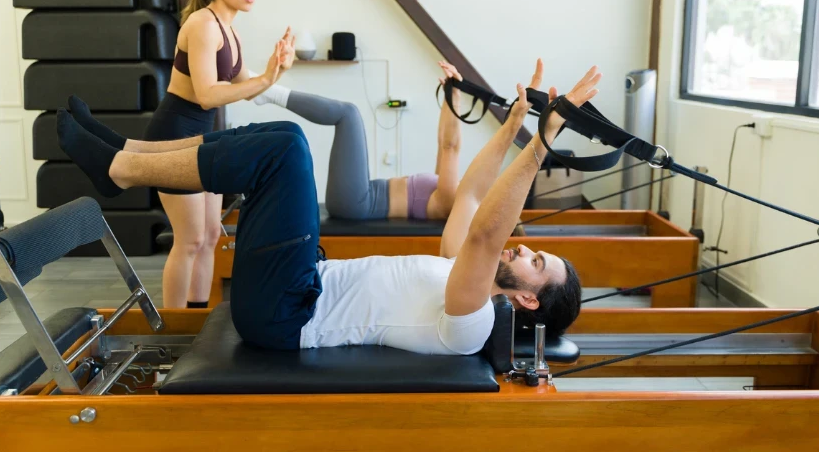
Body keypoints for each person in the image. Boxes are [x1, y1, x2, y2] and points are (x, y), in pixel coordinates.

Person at [56, 62, 602, 354]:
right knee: (275, 135)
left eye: (536, 262)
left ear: (528, 300)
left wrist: (542, 144)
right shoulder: (456, 272)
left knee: (287, 147)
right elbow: (475, 197)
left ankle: (120, 171)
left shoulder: (472, 323)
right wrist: (512, 128)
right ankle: (128, 156)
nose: (526, 248)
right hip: (297, 283)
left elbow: (486, 234)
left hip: (287, 312)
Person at [66, 0, 295, 310]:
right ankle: (171, 329)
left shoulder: (230, 32)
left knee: (207, 238)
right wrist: (267, 77)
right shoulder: (202, 25)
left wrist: (277, 70)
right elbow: (207, 95)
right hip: (175, 130)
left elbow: (246, 86)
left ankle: (195, 322)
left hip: (200, 137)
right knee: (188, 240)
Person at [252, 60, 469, 221]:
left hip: (358, 203)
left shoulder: (450, 202)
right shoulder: (449, 189)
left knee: (348, 114)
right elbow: (444, 144)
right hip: (361, 196)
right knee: (349, 114)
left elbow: (451, 147)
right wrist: (452, 97)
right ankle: (267, 92)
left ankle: (269, 93)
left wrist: (457, 98)